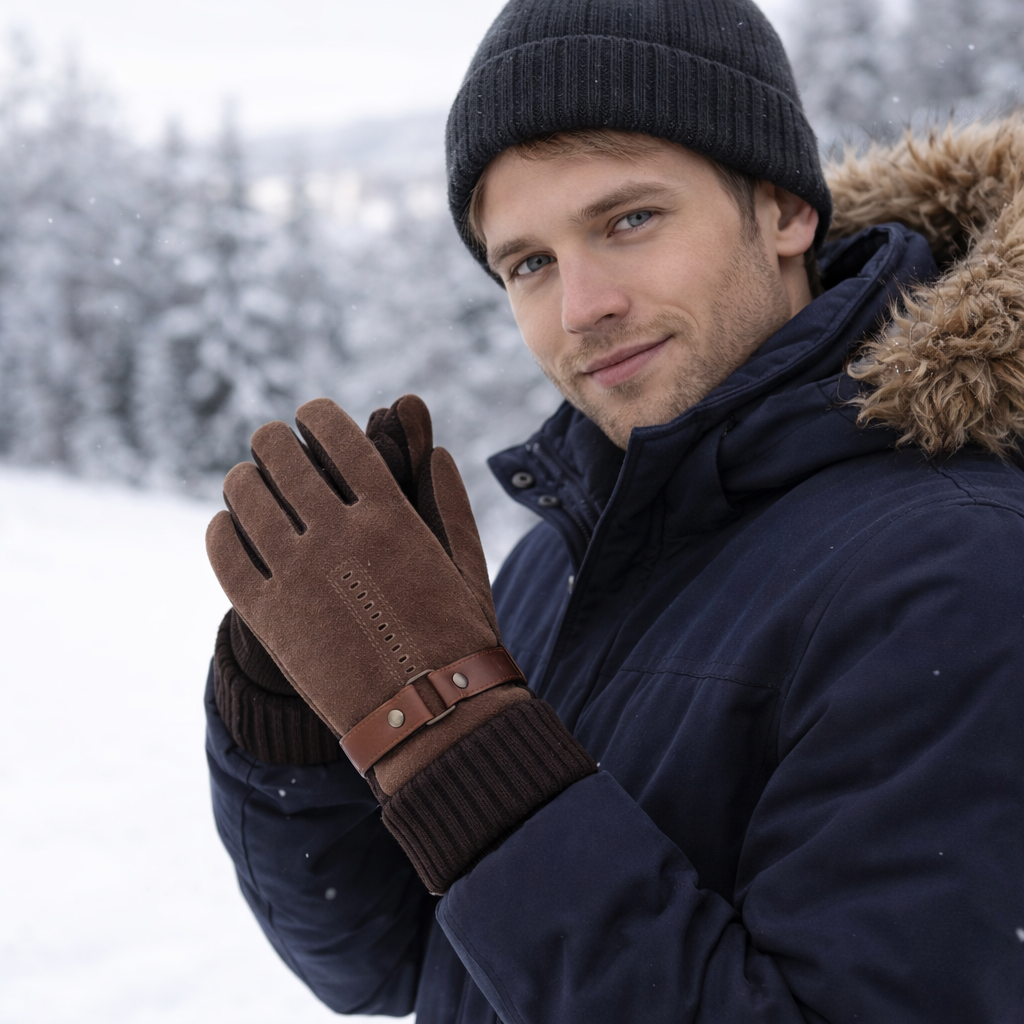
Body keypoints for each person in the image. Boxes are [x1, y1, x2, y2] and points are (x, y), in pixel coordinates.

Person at [204, 0, 1024, 1020]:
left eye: (628, 220)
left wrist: (455, 738)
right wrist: (296, 720)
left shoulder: (961, 573)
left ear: (783, 208)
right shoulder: (565, 553)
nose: (580, 306)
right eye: (529, 263)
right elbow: (394, 960)